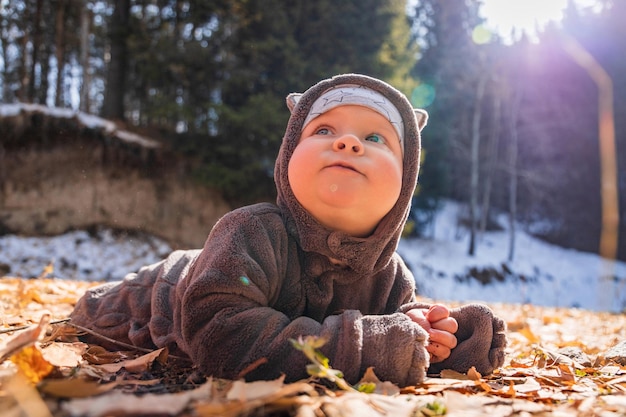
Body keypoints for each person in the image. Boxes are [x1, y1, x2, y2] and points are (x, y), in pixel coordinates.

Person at [70, 73, 507, 387]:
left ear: (406, 180)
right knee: (92, 311)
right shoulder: (250, 231)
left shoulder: (390, 275)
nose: (348, 143)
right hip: (159, 296)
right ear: (287, 157)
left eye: (375, 139)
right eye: (324, 129)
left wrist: (447, 336)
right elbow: (222, 336)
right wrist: (373, 345)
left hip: (213, 275)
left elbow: (396, 336)